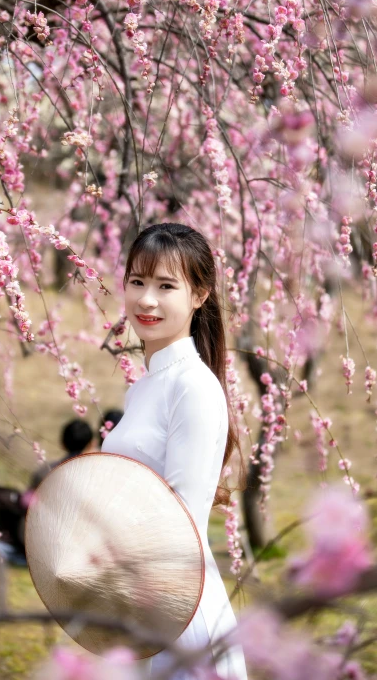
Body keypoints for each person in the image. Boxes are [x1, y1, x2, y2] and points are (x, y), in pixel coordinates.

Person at [101, 223, 247, 679]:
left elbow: (182, 518)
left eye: (166, 286)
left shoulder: (194, 387)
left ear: (200, 294)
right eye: (138, 282)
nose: (146, 300)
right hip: (138, 597)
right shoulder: (146, 386)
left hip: (179, 612)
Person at [30, 418, 97, 490]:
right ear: (91, 444)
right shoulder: (98, 475)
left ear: (63, 443)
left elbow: (28, 498)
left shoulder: (44, 473)